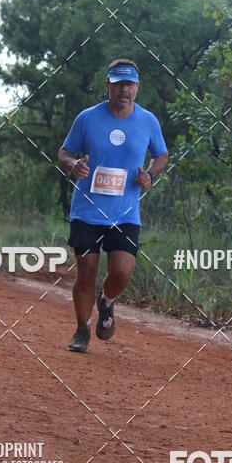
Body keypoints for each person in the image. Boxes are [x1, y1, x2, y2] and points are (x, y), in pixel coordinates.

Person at [58, 58, 168, 353]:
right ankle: (82, 330)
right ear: (107, 86)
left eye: (129, 84)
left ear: (137, 88)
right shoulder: (87, 118)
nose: (124, 90)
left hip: (125, 212)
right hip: (87, 211)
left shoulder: (148, 121)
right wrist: (73, 165)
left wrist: (150, 175)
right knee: (86, 272)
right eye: (118, 84)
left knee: (122, 272)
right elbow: (65, 152)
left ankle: (106, 301)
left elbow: (161, 156)